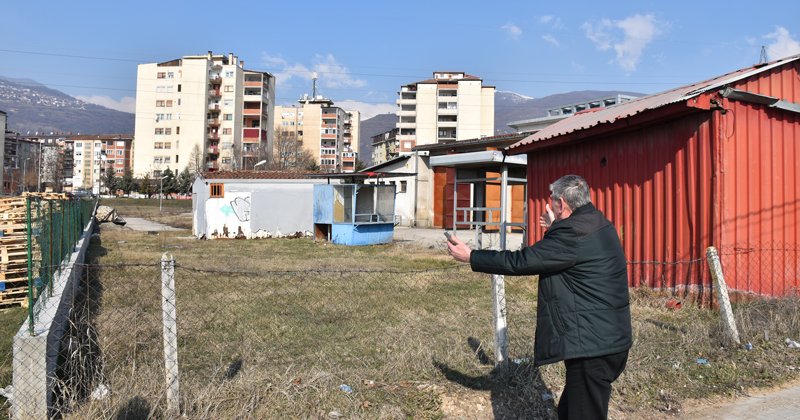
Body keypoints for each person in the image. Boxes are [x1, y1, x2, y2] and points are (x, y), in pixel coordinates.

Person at [447, 174, 632, 420]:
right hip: (608, 340)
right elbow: (567, 254)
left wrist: (472, 257)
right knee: (571, 410)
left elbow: (523, 261)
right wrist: (557, 226)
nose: (551, 203)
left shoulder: (570, 234)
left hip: (592, 348)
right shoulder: (598, 223)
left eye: (553, 199)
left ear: (562, 203)